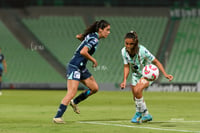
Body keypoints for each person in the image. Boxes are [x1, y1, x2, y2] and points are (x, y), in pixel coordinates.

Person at [53, 20, 111, 123]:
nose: (108, 32)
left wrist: (82, 39)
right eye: (107, 30)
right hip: (74, 66)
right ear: (100, 30)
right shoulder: (94, 39)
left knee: (94, 88)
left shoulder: (92, 36)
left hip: (81, 67)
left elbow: (82, 40)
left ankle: (74, 102)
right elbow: (83, 51)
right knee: (71, 92)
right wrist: (93, 60)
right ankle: (58, 116)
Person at [120, 31, 173, 123]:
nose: (128, 46)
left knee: (137, 90)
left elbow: (156, 61)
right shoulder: (124, 51)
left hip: (147, 75)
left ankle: (139, 113)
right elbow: (126, 66)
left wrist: (165, 74)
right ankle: (146, 115)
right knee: (135, 96)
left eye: (131, 44)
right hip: (135, 75)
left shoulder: (142, 50)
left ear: (135, 43)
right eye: (126, 43)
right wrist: (124, 80)